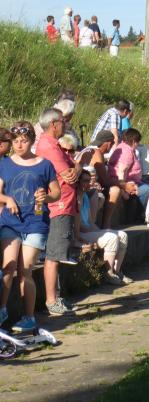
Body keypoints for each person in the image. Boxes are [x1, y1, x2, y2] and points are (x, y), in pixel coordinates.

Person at [0, 122, 61, 332]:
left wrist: (46, 196)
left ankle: (28, 317)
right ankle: (2, 310)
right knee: (8, 265)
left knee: (24, 269)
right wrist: (7, 199)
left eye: (24, 141)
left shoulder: (44, 165)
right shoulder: (5, 164)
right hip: (11, 221)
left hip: (35, 222)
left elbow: (56, 192)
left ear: (31, 141)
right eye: (15, 141)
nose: (19, 145)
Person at [35, 108, 82, 315]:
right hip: (59, 205)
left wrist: (77, 167)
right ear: (54, 124)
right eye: (63, 121)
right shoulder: (49, 147)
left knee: (58, 253)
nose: (66, 124)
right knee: (54, 254)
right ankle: (51, 300)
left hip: (64, 204)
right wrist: (78, 166)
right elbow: (70, 175)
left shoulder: (56, 145)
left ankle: (56, 296)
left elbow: (74, 169)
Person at [75, 170, 132, 286]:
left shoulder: (85, 196)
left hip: (89, 230)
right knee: (111, 238)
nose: (89, 183)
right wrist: (99, 233)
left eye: (90, 180)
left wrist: (99, 231)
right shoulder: (75, 198)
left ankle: (117, 271)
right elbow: (77, 225)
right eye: (86, 181)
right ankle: (109, 273)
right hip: (80, 234)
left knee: (122, 235)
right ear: (78, 182)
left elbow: (90, 221)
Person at [107, 128, 149, 208]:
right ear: (133, 141)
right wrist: (124, 187)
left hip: (130, 180)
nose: (138, 144)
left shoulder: (121, 146)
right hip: (126, 182)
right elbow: (121, 171)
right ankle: (139, 213)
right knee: (147, 190)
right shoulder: (127, 152)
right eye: (137, 142)